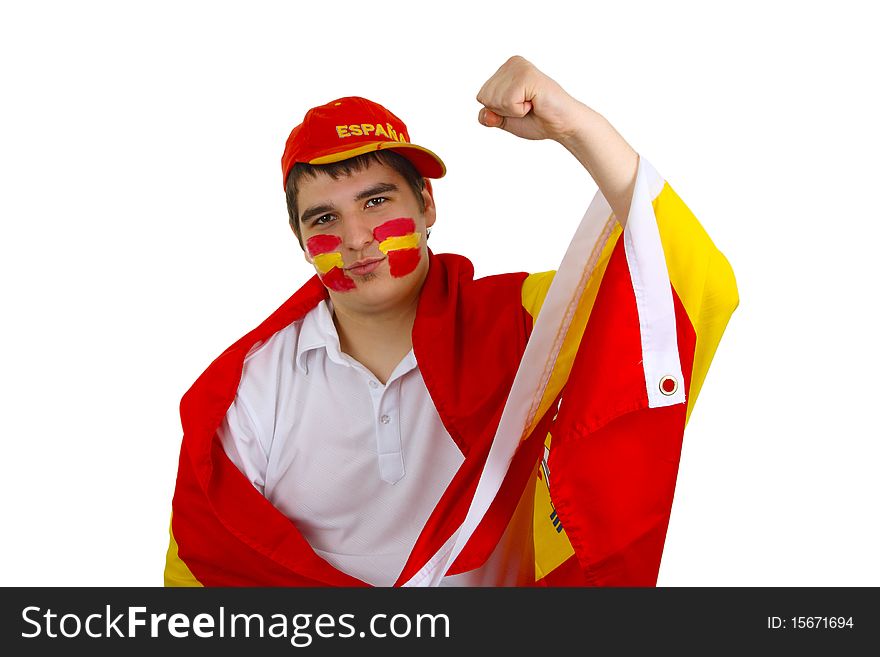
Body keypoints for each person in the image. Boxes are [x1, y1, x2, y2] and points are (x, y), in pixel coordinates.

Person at [164, 55, 738, 587]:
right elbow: (210, 565)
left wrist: (577, 128)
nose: (357, 238)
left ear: (427, 205)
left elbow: (677, 284)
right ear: (302, 242)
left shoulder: (526, 323)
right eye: (324, 217)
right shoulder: (251, 385)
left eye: (376, 201)